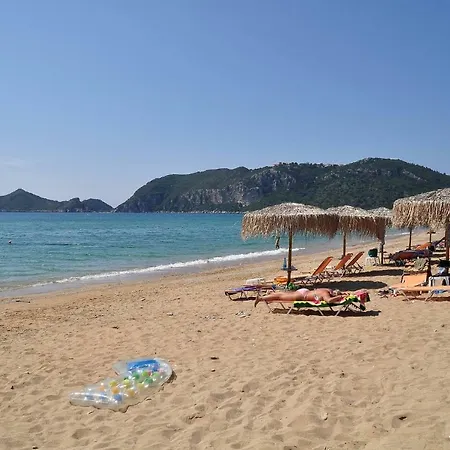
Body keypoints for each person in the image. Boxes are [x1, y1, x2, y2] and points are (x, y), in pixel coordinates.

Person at [255, 287, 344, 306]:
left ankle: (268, 295)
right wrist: (340, 297)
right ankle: (261, 298)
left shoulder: (328, 290)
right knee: (280, 296)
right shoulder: (326, 294)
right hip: (302, 295)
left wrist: (342, 294)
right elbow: (329, 301)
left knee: (281, 294)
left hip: (305, 291)